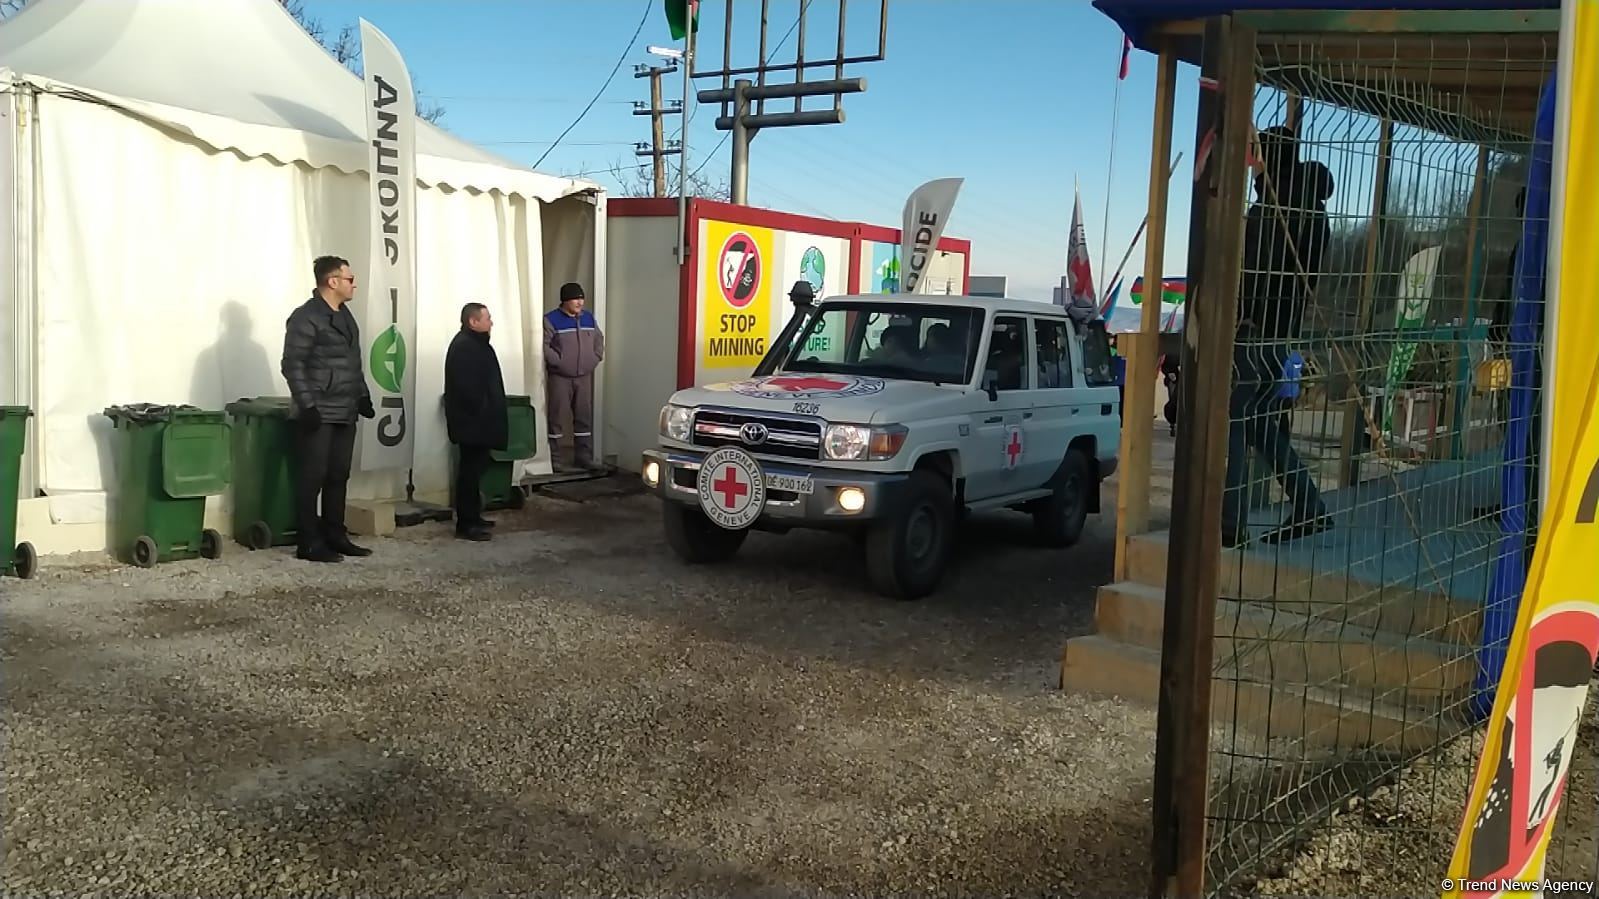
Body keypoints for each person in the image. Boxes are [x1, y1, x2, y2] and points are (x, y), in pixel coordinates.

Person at [1221, 125, 1334, 548]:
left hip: (1256, 331)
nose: (1251, 162)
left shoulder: (1273, 209)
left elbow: (1257, 274)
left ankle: (1230, 524)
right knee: (1265, 425)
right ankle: (1309, 506)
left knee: (1234, 419)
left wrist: (1242, 316)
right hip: (1284, 333)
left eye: (1256, 153)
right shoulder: (1311, 208)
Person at [281, 254, 375, 563]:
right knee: (313, 477)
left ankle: (335, 533)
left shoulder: (346, 316)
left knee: (338, 474)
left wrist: (362, 395)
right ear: (332, 281)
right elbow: (292, 364)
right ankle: (308, 541)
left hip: (344, 409)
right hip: (319, 410)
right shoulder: (306, 317)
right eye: (350, 279)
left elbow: (352, 363)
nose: (354, 284)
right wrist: (307, 405)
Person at [444, 302, 507, 542]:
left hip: (481, 422)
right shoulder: (465, 347)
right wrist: (482, 411)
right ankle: (466, 523)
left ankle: (473, 516)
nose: (491, 322)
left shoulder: (477, 345)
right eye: (487, 318)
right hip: (472, 423)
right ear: (473, 321)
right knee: (469, 473)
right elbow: (467, 389)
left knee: (477, 469)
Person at [543, 282, 604, 472]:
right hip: (560, 378)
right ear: (565, 301)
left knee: (583, 417)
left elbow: (598, 340)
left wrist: (595, 358)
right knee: (557, 417)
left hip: (584, 376)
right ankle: (555, 459)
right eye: (575, 299)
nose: (580, 302)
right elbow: (543, 346)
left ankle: (583, 457)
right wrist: (558, 362)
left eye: (581, 298)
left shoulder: (588, 318)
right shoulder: (551, 320)